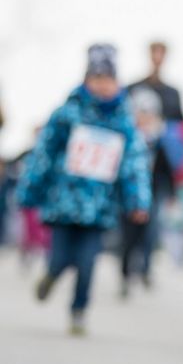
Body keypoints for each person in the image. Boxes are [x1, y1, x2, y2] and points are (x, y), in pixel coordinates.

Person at [16, 44, 151, 334]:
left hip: (100, 206)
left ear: (117, 82)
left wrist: (138, 201)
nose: (103, 85)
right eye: (97, 78)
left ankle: (78, 312)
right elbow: (44, 153)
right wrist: (30, 190)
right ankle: (51, 276)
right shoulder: (67, 113)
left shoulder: (124, 121)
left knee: (88, 263)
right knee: (60, 258)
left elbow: (134, 163)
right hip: (64, 202)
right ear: (86, 79)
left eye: (108, 79)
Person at [119, 86, 174, 295]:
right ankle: (125, 274)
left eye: (148, 114)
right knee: (128, 237)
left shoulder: (158, 141)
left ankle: (145, 269)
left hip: (153, 194)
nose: (145, 118)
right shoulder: (127, 138)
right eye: (141, 113)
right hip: (129, 195)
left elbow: (167, 168)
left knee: (149, 235)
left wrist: (171, 192)